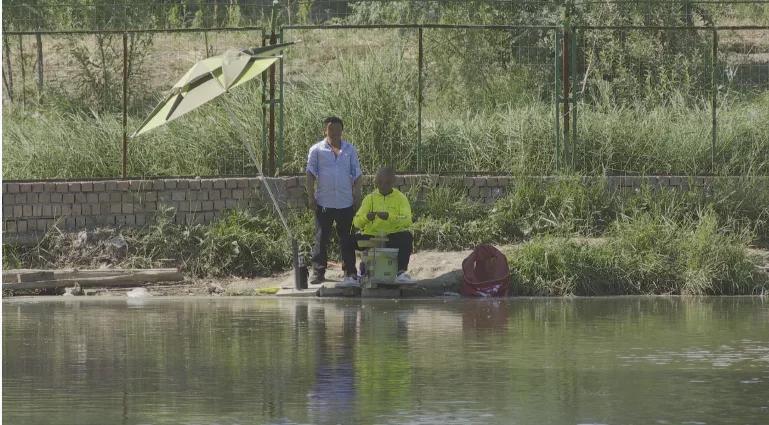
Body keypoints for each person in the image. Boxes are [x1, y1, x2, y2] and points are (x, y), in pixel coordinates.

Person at [306, 116, 363, 286]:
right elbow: (310, 174)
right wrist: (310, 196)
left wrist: (357, 195)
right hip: (324, 202)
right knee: (322, 237)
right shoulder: (316, 150)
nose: (335, 133)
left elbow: (357, 174)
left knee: (347, 238)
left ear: (342, 131)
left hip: (345, 202)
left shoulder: (350, 150)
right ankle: (318, 272)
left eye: (338, 129)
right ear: (325, 130)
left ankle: (350, 271)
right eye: (331, 129)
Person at [352, 166, 416, 284]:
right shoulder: (369, 198)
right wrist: (366, 218)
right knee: (348, 239)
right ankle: (351, 274)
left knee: (406, 236)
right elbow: (356, 221)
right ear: (376, 182)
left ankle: (401, 273)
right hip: (371, 238)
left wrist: (389, 217)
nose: (383, 185)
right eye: (380, 182)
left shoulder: (401, 198)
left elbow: (407, 220)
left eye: (387, 183)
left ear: (393, 182)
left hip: (390, 238)